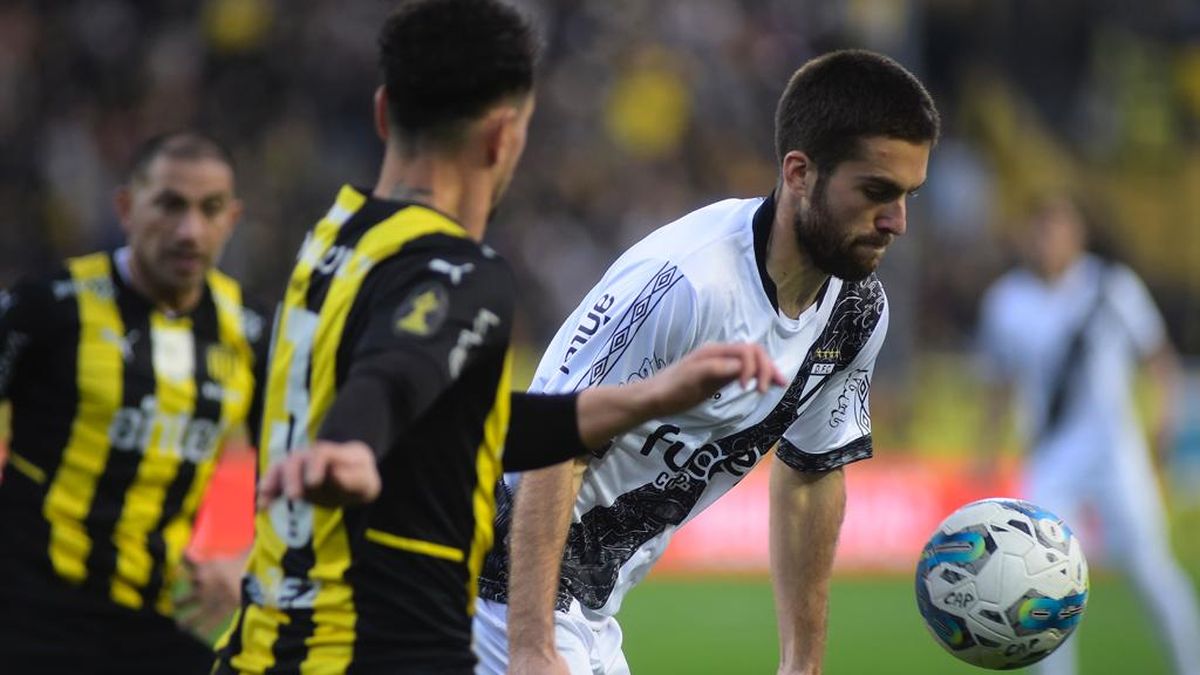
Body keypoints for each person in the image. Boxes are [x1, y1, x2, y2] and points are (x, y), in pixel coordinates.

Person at [211, 1, 782, 673]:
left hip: (261, 645)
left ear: (383, 111)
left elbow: (464, 418)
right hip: (373, 653)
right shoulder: (459, 272)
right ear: (502, 136)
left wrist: (652, 395)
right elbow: (394, 375)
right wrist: (351, 442)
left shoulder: (332, 241)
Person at [473, 49, 940, 675]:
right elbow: (555, 441)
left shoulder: (854, 311)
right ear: (799, 173)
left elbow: (810, 471)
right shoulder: (689, 284)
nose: (897, 222)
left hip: (586, 612)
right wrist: (531, 647)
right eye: (876, 192)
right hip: (490, 592)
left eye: (909, 194)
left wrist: (802, 664)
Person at [0, 131, 264, 673]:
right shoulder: (48, 309)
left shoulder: (253, 333)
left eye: (209, 210)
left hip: (161, 622)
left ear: (231, 220)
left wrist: (247, 562)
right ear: (126, 207)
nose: (189, 231)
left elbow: (296, 471)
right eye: (169, 205)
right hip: (28, 614)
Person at [976, 195, 1200, 675]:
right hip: (1051, 456)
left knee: (1150, 569)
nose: (1048, 239)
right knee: (1041, 583)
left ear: (1077, 233)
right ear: (1027, 236)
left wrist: (1165, 418)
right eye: (1040, 229)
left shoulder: (1111, 287)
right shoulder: (1006, 300)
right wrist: (988, 449)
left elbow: (1159, 361)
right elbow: (998, 384)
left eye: (1057, 227)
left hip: (1116, 454)